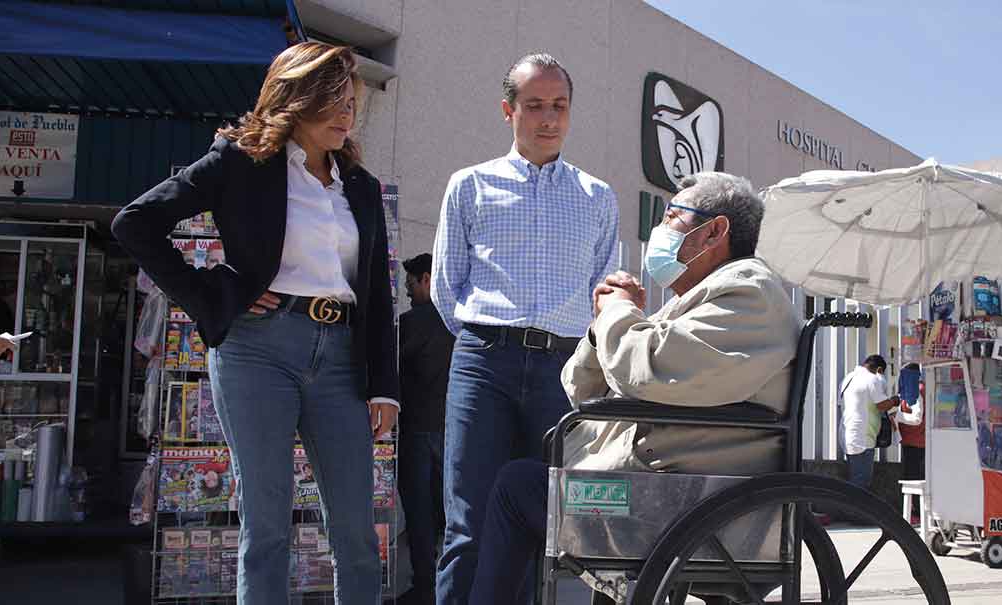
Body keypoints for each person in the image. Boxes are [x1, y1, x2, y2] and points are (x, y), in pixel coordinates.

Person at [111, 42, 400, 602]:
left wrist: (385, 387)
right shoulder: (240, 161)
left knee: (357, 533)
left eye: (351, 104)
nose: (346, 115)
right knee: (267, 527)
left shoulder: (359, 187)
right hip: (257, 350)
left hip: (342, 357)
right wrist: (214, 292)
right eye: (334, 102)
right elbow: (135, 222)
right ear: (297, 99)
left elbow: (377, 293)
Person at [468, 172, 801, 604]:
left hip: (676, 503)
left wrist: (619, 313)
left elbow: (645, 370)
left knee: (516, 487)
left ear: (715, 231)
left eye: (672, 217)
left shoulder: (749, 292)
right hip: (664, 494)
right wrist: (603, 325)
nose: (658, 233)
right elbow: (582, 388)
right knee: (543, 482)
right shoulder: (701, 301)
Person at [431, 52, 620, 604]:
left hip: (561, 371)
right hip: (484, 361)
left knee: (549, 519)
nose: (548, 118)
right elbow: (447, 288)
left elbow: (602, 295)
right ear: (507, 110)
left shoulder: (597, 197)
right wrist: (488, 341)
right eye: (534, 104)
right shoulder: (469, 186)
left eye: (559, 105)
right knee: (467, 521)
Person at [395, 253, 454, 605]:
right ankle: (449, 584)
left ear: (427, 279)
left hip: (417, 430)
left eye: (411, 284)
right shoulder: (460, 320)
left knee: (419, 514)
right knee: (450, 513)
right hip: (454, 430)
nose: (407, 292)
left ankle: (424, 587)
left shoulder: (410, 324)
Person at [840, 355, 898, 491]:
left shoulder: (848, 378)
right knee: (861, 482)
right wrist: (895, 400)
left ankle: (849, 510)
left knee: (856, 478)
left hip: (848, 433)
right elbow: (882, 405)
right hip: (862, 438)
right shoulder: (872, 379)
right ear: (879, 370)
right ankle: (852, 511)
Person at [896, 362, 925, 524]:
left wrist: (897, 417)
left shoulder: (917, 391)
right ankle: (915, 512)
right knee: (912, 477)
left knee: (913, 478)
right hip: (912, 441)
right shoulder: (911, 390)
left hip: (916, 442)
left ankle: (916, 513)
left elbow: (916, 419)